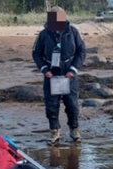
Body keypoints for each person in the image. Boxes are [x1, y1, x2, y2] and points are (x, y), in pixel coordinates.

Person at [32, 6, 86, 145]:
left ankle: (74, 130)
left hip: (69, 75)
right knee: (51, 106)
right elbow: (36, 53)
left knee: (72, 105)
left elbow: (81, 51)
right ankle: (54, 131)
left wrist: (73, 69)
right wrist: (44, 69)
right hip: (51, 75)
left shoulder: (73, 32)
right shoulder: (44, 34)